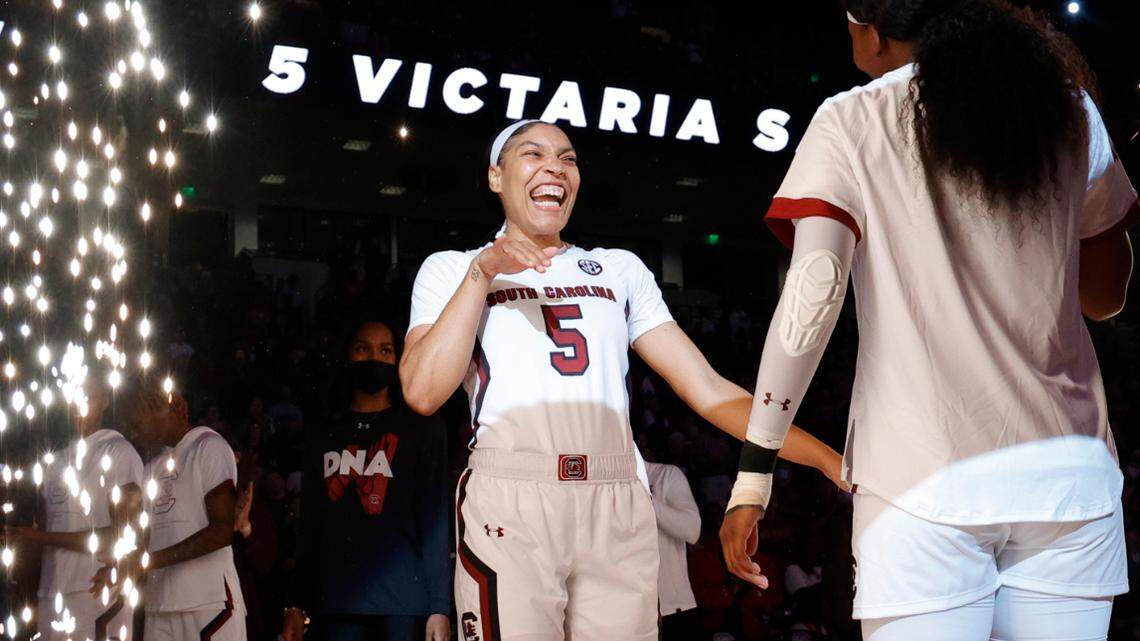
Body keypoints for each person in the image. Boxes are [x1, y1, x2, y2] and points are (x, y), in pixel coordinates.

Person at [719, 1, 1137, 640]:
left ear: (869, 32)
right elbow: (1106, 296)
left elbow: (813, 297)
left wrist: (754, 474)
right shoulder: (1067, 109)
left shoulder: (852, 117)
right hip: (1068, 473)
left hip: (920, 477)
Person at [401, 119, 845, 640]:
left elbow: (709, 390)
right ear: (496, 177)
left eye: (568, 158)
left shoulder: (618, 270)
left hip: (617, 497)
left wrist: (827, 459)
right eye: (534, 154)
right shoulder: (451, 268)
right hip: (513, 496)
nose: (555, 167)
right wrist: (482, 274)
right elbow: (422, 392)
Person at [282, 318, 450, 641]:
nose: (374, 357)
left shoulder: (422, 428)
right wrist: (295, 603)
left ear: (398, 357)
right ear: (348, 355)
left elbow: (435, 522)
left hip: (403, 606)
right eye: (363, 348)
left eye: (385, 350)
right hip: (335, 604)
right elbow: (311, 523)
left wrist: (439, 607)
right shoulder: (324, 432)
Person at [4, 384, 142, 641]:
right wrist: (17, 540)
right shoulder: (54, 461)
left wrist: (39, 538)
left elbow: (123, 537)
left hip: (95, 595)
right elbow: (41, 535)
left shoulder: (118, 451)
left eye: (88, 395)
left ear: (104, 400)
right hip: (51, 595)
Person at [121, 376, 248, 641]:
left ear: (166, 406)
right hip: (159, 606)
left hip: (209, 604)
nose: (133, 434)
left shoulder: (209, 446)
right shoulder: (151, 469)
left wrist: (150, 561)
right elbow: (141, 535)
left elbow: (222, 531)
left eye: (136, 423)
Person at [644, 456, 701, 641]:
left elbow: (692, 530)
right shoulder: (600, 486)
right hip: (625, 607)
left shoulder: (665, 475)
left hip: (674, 608)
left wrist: (645, 499)